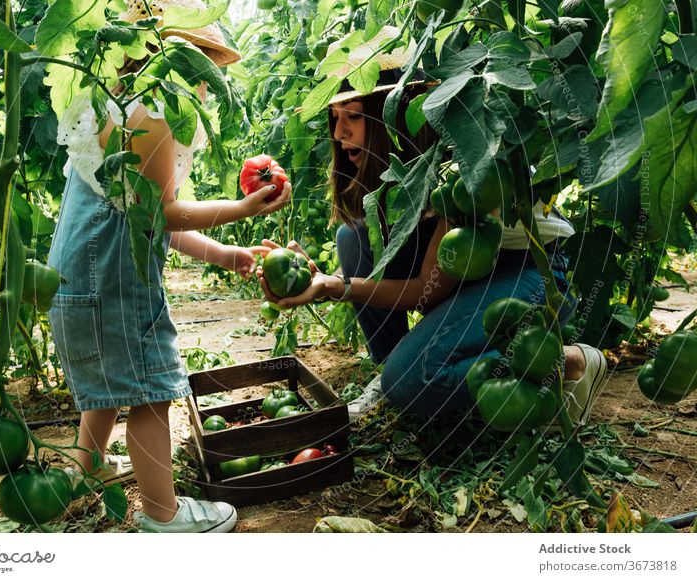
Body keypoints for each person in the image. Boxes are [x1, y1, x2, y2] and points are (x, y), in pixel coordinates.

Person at [257, 26, 607, 426]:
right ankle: (396, 371)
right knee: (352, 238)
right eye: (335, 118)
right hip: (473, 271)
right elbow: (403, 264)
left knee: (414, 378)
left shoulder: (457, 164)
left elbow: (427, 288)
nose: (339, 133)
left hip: (529, 273)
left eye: (353, 116)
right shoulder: (402, 169)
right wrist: (324, 278)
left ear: (395, 111)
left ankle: (564, 359)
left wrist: (336, 287)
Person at [48, 0, 290, 533]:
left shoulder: (115, 106)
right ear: (173, 61)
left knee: (116, 378)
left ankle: (83, 467)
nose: (207, 83)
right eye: (201, 65)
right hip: (112, 275)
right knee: (151, 392)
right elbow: (161, 211)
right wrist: (242, 209)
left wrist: (226, 254)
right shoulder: (153, 116)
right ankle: (163, 514)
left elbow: (157, 223)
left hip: (81, 276)